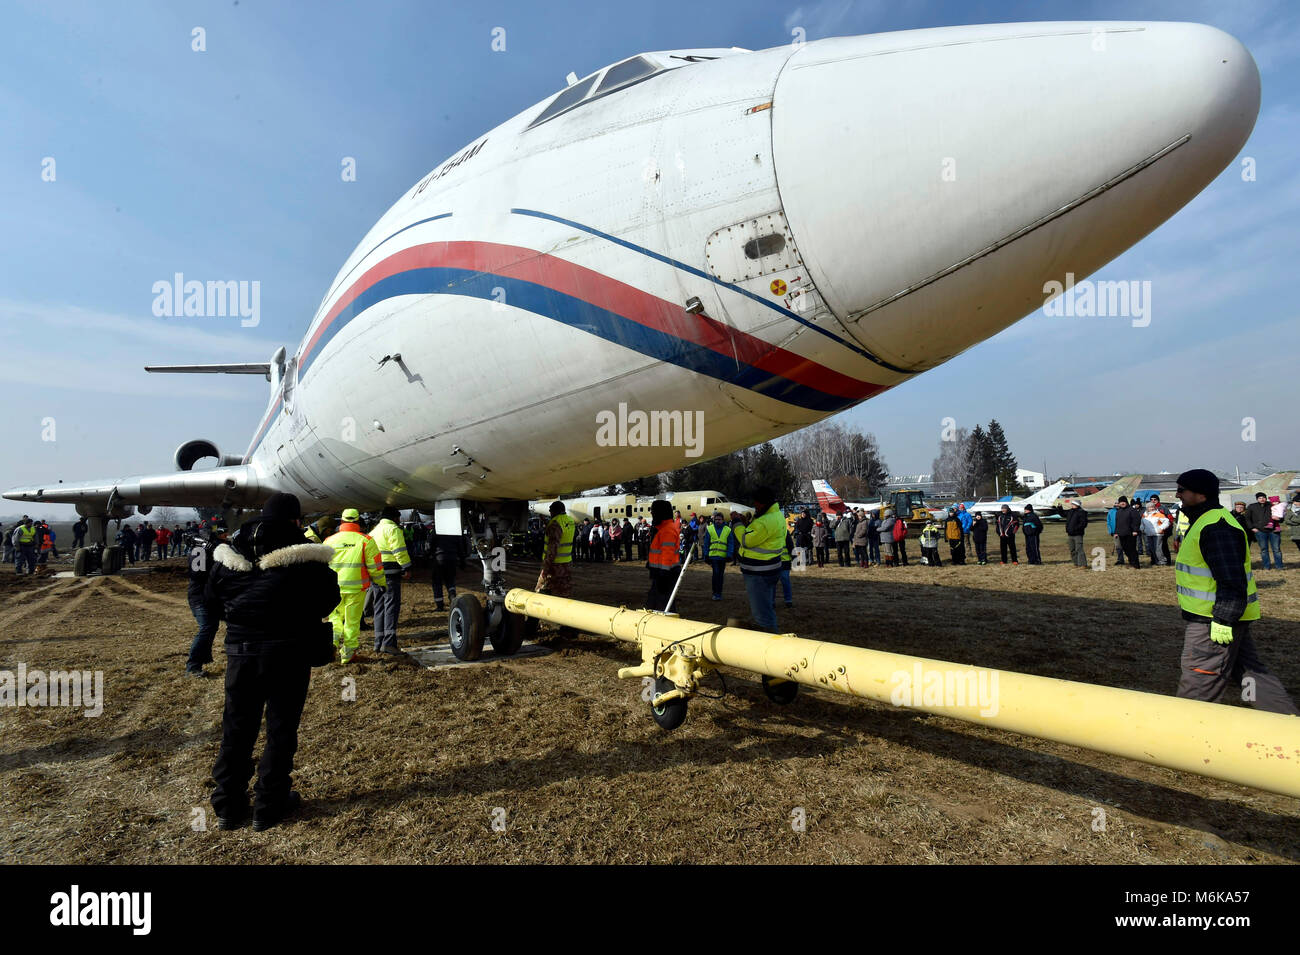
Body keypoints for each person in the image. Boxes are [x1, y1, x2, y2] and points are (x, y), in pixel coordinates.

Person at [205, 491, 341, 831]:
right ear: (296, 521)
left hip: (241, 653)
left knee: (237, 727)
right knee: (281, 729)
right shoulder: (307, 560)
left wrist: (243, 620)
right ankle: (269, 803)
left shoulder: (230, 556)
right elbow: (328, 600)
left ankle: (227, 805)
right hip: (288, 654)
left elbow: (212, 600)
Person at [1171, 469, 1298, 715]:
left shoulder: (1216, 526)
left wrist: (1222, 620)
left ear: (1200, 494)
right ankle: (1290, 728)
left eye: (1181, 490)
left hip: (1213, 622)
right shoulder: (1206, 520)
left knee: (1200, 679)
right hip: (1224, 619)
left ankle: (1189, 736)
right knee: (1252, 673)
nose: (1178, 495)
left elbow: (1231, 579)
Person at [323, 507, 386, 664]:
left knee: (334, 619)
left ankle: (331, 647)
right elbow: (375, 567)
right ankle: (348, 654)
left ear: (342, 521)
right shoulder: (366, 540)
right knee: (352, 622)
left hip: (333, 588)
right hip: (356, 589)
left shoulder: (329, 541)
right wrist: (381, 583)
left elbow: (322, 566)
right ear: (358, 521)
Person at [738, 487, 784, 631]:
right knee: (766, 607)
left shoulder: (764, 521)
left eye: (756, 503)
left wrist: (736, 524)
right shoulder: (776, 515)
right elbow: (761, 537)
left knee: (762, 615)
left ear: (763, 503)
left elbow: (746, 540)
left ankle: (768, 642)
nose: (754, 506)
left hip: (759, 574)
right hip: (770, 569)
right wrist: (748, 525)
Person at [186, 520, 229, 677]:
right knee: (207, 627)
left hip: (214, 595)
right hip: (199, 596)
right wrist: (210, 553)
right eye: (223, 533)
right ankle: (192, 666)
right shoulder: (200, 550)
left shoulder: (222, 548)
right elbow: (196, 574)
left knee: (221, 625)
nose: (227, 536)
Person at [370, 506, 411, 655]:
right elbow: (399, 550)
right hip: (391, 574)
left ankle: (378, 641)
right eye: (398, 518)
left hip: (376, 573)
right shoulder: (393, 529)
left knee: (379, 607)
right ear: (394, 518)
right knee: (391, 607)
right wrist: (407, 567)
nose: (399, 521)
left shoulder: (373, 531)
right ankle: (389, 643)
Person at [645, 500, 681, 612]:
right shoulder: (661, 528)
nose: (651, 513)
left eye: (653, 511)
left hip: (666, 574)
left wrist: (663, 573)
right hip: (660, 572)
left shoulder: (667, 530)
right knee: (657, 601)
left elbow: (667, 553)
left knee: (664, 603)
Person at [536, 500, 575, 600]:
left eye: (551, 510)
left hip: (554, 566)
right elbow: (561, 531)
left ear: (555, 511)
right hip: (567, 564)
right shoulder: (570, 521)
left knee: (540, 591)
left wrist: (545, 570)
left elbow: (552, 550)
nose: (549, 512)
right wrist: (545, 521)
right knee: (564, 592)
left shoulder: (554, 524)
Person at [704, 511, 734, 600]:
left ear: (723, 520)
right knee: (716, 574)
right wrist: (706, 555)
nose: (717, 521)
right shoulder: (710, 529)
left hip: (723, 557)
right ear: (714, 519)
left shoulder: (728, 530)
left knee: (720, 575)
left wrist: (729, 554)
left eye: (719, 519)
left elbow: (731, 543)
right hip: (713, 557)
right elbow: (706, 543)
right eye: (716, 519)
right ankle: (715, 593)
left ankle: (719, 593)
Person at [1113, 495, 1142, 568]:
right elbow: (1117, 523)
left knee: (1131, 549)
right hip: (1121, 533)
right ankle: (1131, 561)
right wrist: (1116, 532)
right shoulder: (1118, 512)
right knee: (1125, 549)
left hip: (1131, 533)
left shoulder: (1132, 510)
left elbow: (1136, 521)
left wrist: (1135, 530)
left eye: (1124, 502)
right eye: (1121, 502)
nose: (1122, 503)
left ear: (1126, 502)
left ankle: (1135, 564)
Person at [1141, 500, 1170, 566]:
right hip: (1148, 534)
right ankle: (1156, 561)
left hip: (1158, 534)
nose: (1151, 508)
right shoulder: (1144, 515)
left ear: (1154, 507)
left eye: (1152, 507)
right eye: (1149, 507)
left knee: (1158, 548)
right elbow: (1142, 523)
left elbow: (1167, 522)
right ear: (1147, 508)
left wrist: (1161, 528)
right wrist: (1142, 529)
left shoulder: (1159, 514)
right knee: (1151, 548)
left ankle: (1162, 561)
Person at [1065, 500, 1089, 567]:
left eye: (1073, 504)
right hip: (1070, 534)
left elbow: (1083, 523)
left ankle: (1083, 564)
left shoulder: (1082, 512)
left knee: (1079, 549)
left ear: (1077, 505)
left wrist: (1076, 529)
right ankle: (1076, 563)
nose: (1071, 505)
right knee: (1072, 550)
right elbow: (1063, 514)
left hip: (1078, 534)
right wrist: (1059, 508)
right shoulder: (1070, 511)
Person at [777, 528, 796, 607]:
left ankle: (788, 600)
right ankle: (787, 600)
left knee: (784, 581)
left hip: (782, 562)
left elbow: (790, 546)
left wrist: (794, 557)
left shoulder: (785, 532)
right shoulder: (771, 531)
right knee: (783, 582)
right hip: (776, 562)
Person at [1285, 494, 1300, 558]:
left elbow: (1292, 520)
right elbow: (1287, 520)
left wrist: (1293, 520)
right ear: (1294, 502)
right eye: (1297, 501)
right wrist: (1296, 523)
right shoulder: (1290, 511)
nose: (1298, 503)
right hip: (1295, 534)